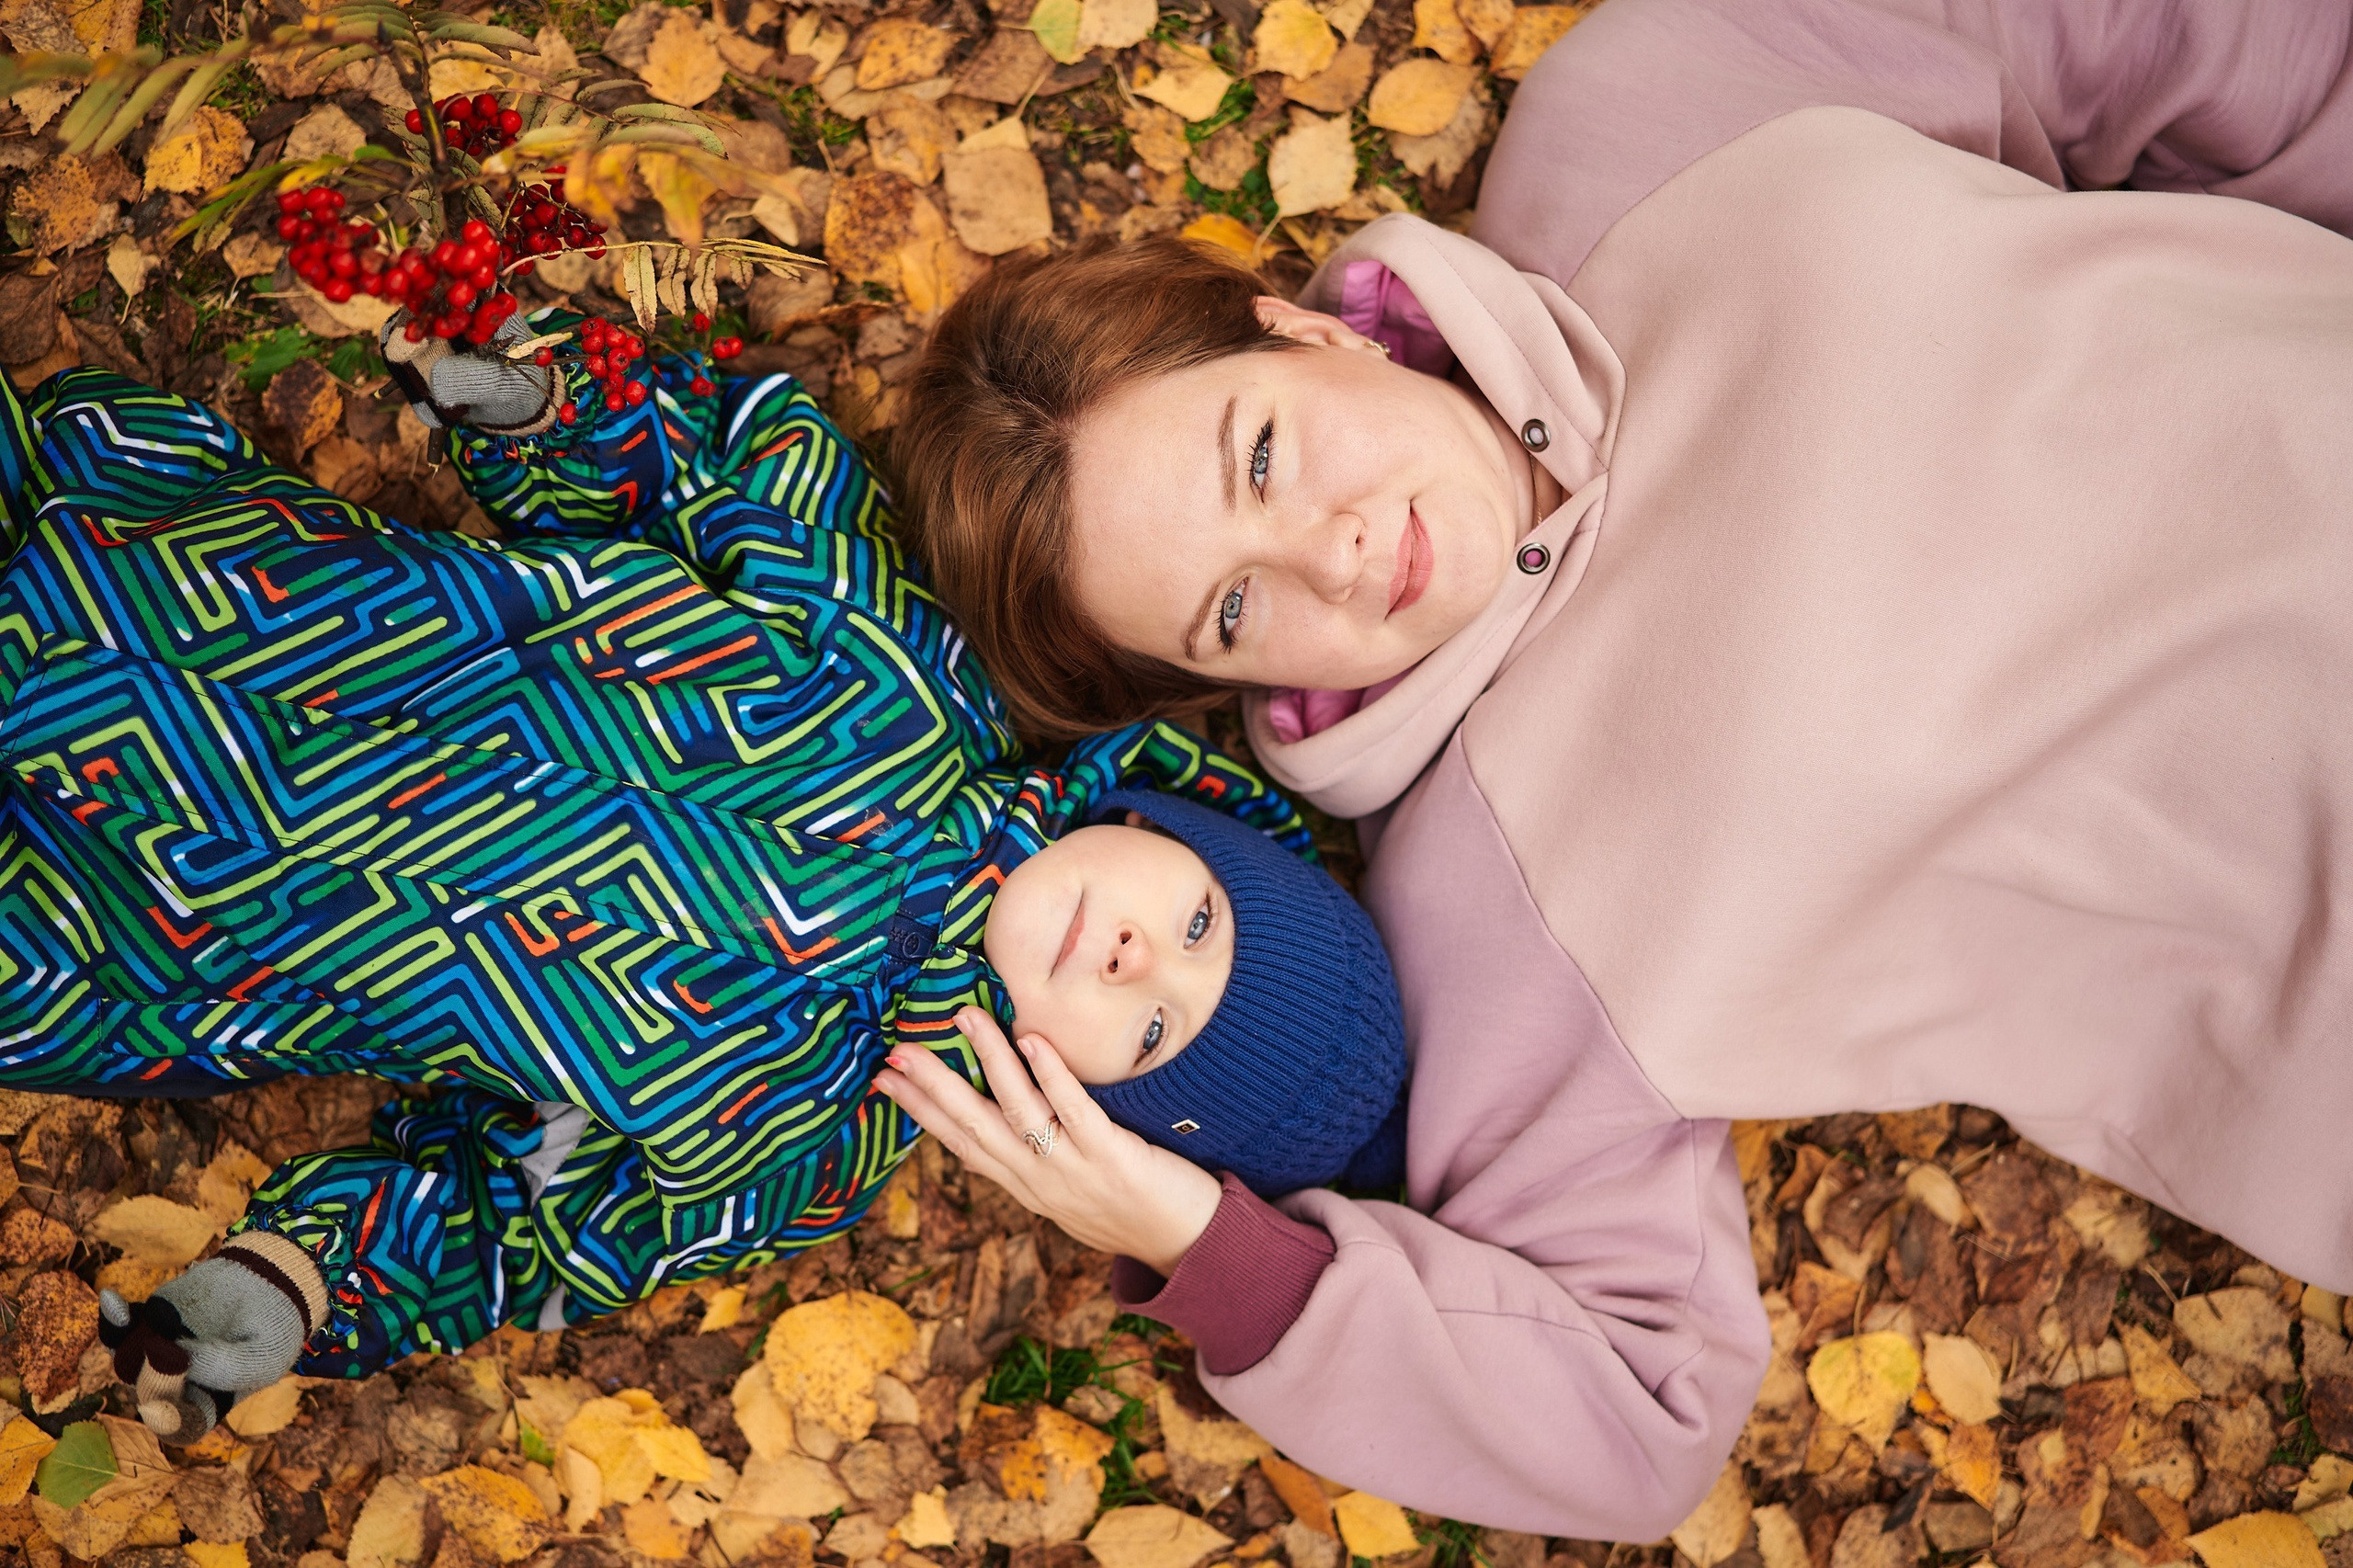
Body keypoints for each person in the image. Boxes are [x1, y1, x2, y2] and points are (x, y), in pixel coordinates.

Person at [884, 0, 2353, 1539]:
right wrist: (1207, 1246)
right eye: (1236, 607)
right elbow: (1633, 1422)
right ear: (1222, 684)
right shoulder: (1498, 905)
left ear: (1294, 326)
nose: (1331, 552)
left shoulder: (1651, 114)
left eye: (1261, 455)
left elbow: (2152, 37)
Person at [0, 314, 1406, 1442]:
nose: (1134, 957)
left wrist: (301, 1282)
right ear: (1176, 828)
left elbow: (514, 1227)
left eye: (1153, 1026)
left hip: (130, 923)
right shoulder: (904, 661)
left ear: (1080, 1103)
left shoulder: (806, 1135)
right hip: (205, 596)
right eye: (1199, 920)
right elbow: (706, 468)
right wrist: (549, 409)